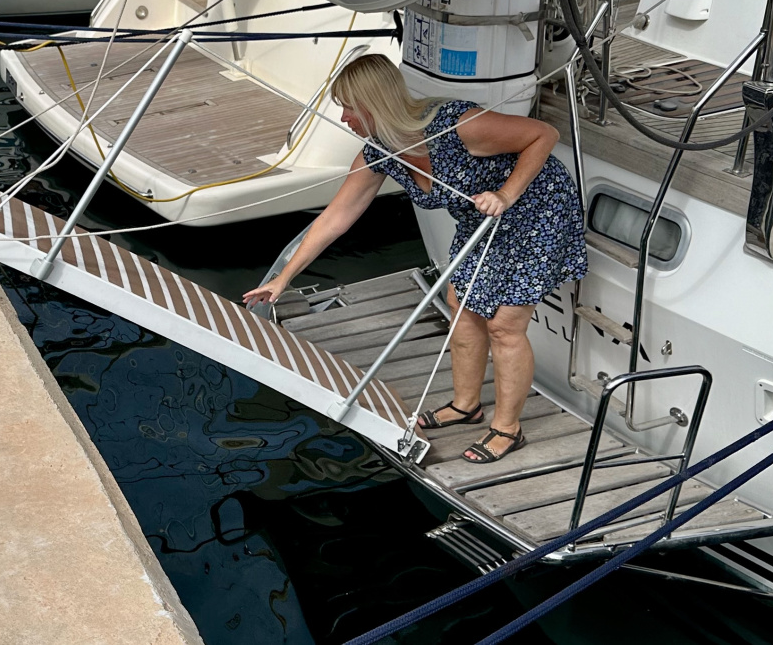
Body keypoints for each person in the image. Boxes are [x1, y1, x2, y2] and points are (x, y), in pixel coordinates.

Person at [243, 54, 587, 463]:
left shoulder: (458, 125)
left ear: (375, 103)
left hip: (536, 211)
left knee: (505, 325)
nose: (344, 116)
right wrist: (283, 278)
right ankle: (466, 406)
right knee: (461, 306)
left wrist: (506, 194)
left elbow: (543, 135)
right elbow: (336, 217)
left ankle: (508, 429)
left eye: (350, 105)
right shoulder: (381, 152)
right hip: (483, 219)